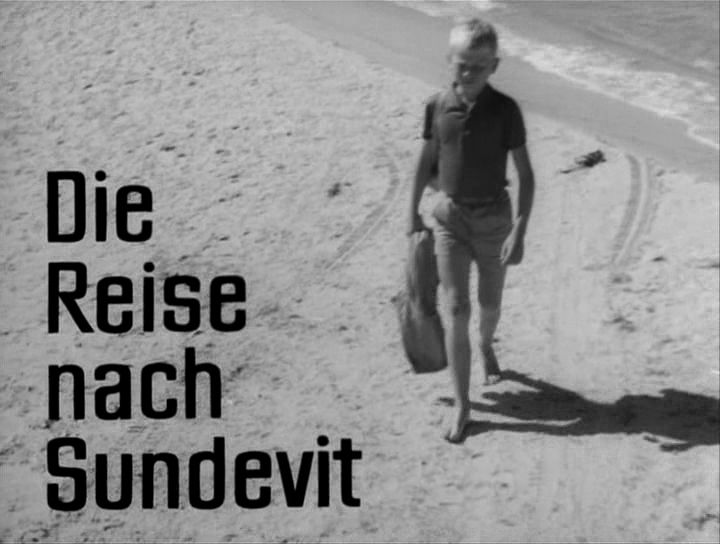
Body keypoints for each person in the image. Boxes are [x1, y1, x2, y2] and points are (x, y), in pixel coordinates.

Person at [406, 17, 535, 443]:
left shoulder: (506, 111)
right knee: (456, 308)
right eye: (463, 64)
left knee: (489, 304)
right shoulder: (438, 106)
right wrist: (411, 214)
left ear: (494, 66)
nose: (469, 73)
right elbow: (425, 161)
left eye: (480, 65)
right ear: (451, 61)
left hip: (495, 220)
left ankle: (486, 343)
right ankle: (463, 405)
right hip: (450, 220)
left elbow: (526, 175)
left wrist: (519, 230)